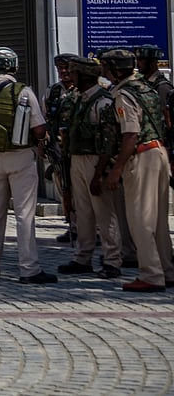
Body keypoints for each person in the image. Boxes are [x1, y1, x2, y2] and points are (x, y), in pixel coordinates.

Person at [0, 46, 55, 284]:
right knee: (24, 214)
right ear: (14, 67)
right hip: (21, 156)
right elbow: (39, 128)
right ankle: (29, 269)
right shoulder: (23, 92)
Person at [100, 49, 174, 291]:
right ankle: (166, 269)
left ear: (115, 69)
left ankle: (151, 274)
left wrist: (116, 168)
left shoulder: (123, 94)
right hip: (159, 152)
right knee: (159, 219)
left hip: (141, 155)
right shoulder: (147, 87)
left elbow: (130, 133)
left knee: (140, 219)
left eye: (107, 67)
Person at [56, 56, 122, 278]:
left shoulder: (102, 102)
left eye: (74, 73)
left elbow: (108, 141)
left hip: (95, 161)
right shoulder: (80, 99)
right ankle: (82, 257)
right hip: (77, 158)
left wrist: (100, 173)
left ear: (84, 76)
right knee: (82, 212)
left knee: (104, 213)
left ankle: (112, 259)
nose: (69, 76)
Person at [45, 54, 78, 241]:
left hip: (78, 149)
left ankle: (93, 229)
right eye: (60, 69)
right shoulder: (53, 91)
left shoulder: (83, 89)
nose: (64, 73)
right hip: (58, 149)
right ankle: (73, 226)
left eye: (67, 69)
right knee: (64, 188)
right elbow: (46, 117)